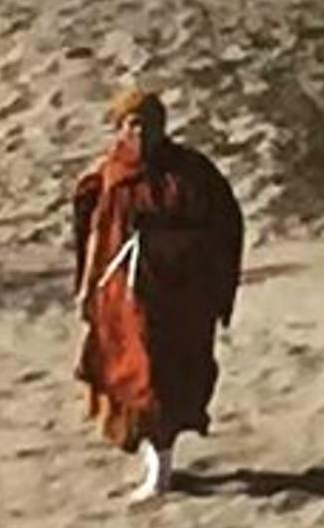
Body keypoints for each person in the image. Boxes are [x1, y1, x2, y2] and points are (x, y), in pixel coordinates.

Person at [72, 85, 245, 502]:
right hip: (124, 300)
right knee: (134, 378)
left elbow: (223, 225)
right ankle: (156, 463)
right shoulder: (112, 172)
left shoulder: (189, 172)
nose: (141, 132)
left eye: (149, 124)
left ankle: (162, 469)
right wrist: (87, 288)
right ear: (119, 127)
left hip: (178, 298)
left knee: (164, 380)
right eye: (132, 123)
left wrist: (178, 251)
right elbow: (95, 231)